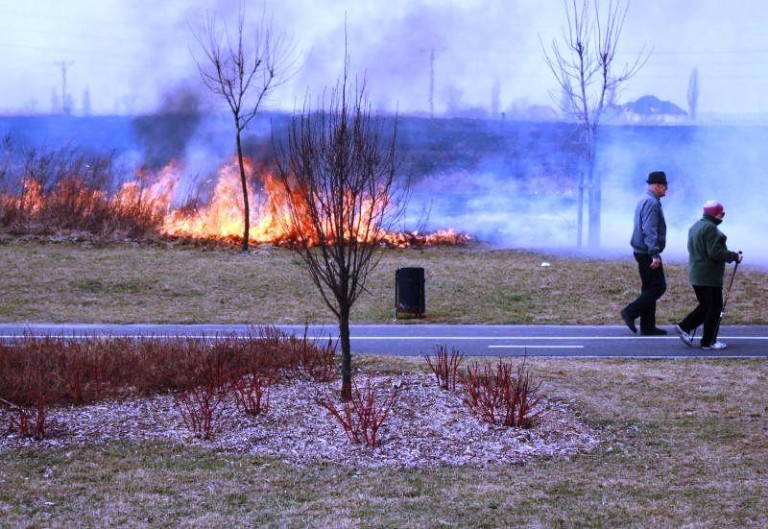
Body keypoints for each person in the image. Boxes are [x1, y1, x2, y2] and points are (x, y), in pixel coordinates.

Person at [674, 201, 742, 350]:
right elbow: (715, 253)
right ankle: (708, 342)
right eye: (721, 214)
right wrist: (734, 256)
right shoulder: (711, 229)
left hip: (696, 274)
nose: (722, 217)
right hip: (709, 277)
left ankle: (685, 327)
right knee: (715, 307)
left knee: (706, 306)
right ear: (715, 214)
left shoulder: (695, 226)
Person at [620, 171, 668, 336]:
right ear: (657, 185)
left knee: (649, 288)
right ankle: (630, 312)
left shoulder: (644, 200)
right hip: (647, 252)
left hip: (642, 251)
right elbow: (649, 230)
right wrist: (654, 254)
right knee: (658, 287)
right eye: (664, 186)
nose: (666, 190)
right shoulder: (651, 203)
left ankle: (648, 326)